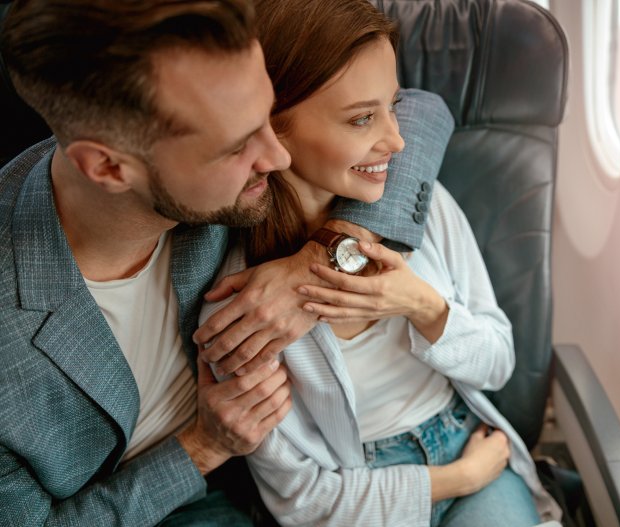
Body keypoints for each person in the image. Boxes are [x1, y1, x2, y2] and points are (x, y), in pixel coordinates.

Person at [0, 1, 452, 525]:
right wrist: (203, 447)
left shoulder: (217, 159)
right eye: (237, 145)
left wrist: (324, 260)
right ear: (107, 166)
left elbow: (422, 112)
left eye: (266, 116)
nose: (278, 157)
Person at [199, 0, 563, 525]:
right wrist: (457, 480)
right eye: (362, 118)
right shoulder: (244, 308)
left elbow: (498, 361)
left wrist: (423, 305)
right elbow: (300, 501)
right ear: (273, 129)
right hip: (367, 490)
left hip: (466, 439)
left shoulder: (423, 202)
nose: (396, 140)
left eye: (392, 106)